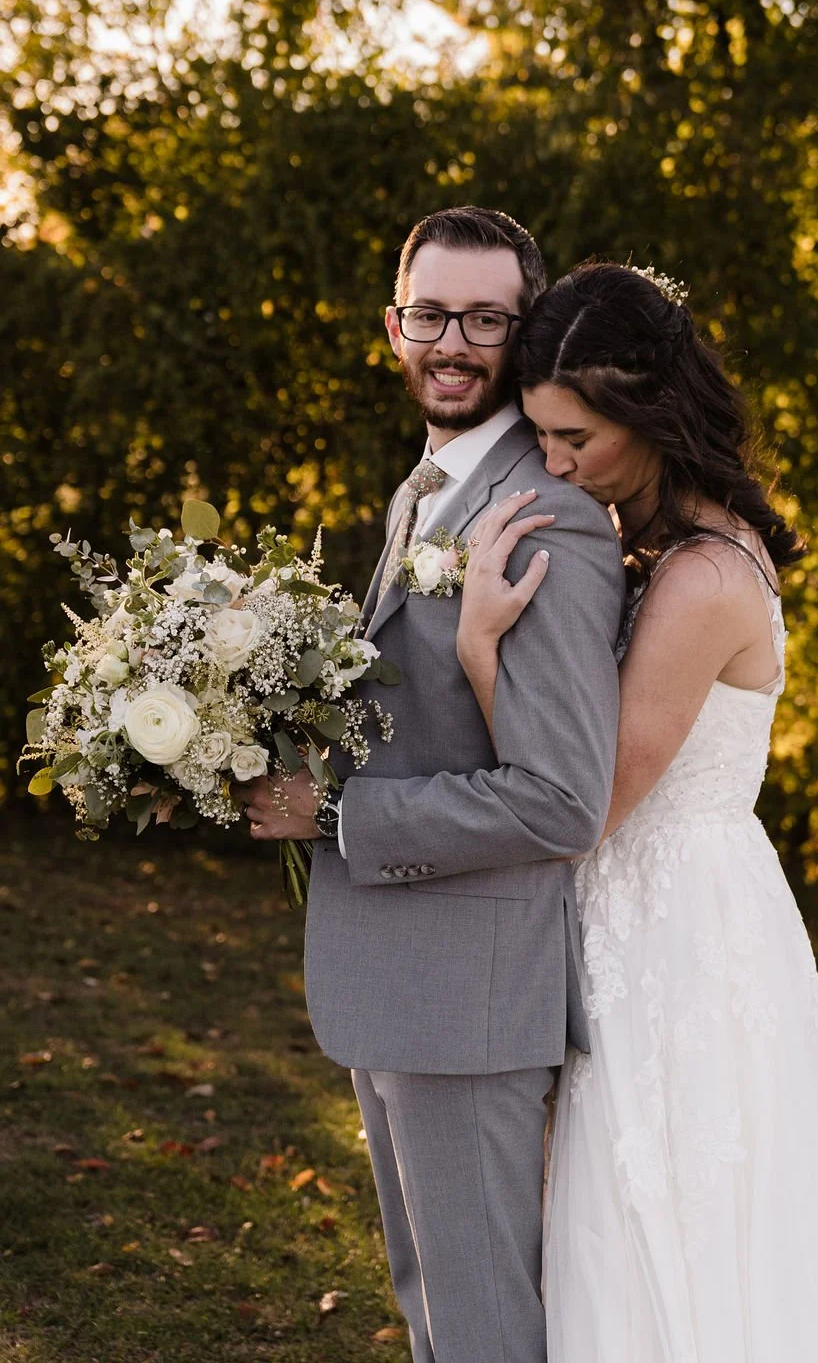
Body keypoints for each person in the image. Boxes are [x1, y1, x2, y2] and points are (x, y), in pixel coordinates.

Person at [457, 262, 818, 1362]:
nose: (553, 462)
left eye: (576, 437)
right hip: (642, 912)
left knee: (680, 1211)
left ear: (653, 414)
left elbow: (584, 804)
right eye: (538, 433)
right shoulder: (650, 544)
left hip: (678, 934)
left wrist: (480, 648)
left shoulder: (701, 580)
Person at [237, 208, 625, 1363]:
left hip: (470, 991)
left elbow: (559, 797)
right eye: (429, 314)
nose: (451, 343)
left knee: (480, 1324)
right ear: (391, 324)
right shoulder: (431, 490)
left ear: (527, 332)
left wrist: (339, 816)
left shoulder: (546, 515)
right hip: (407, 973)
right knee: (431, 1303)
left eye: (485, 319)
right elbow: (421, 719)